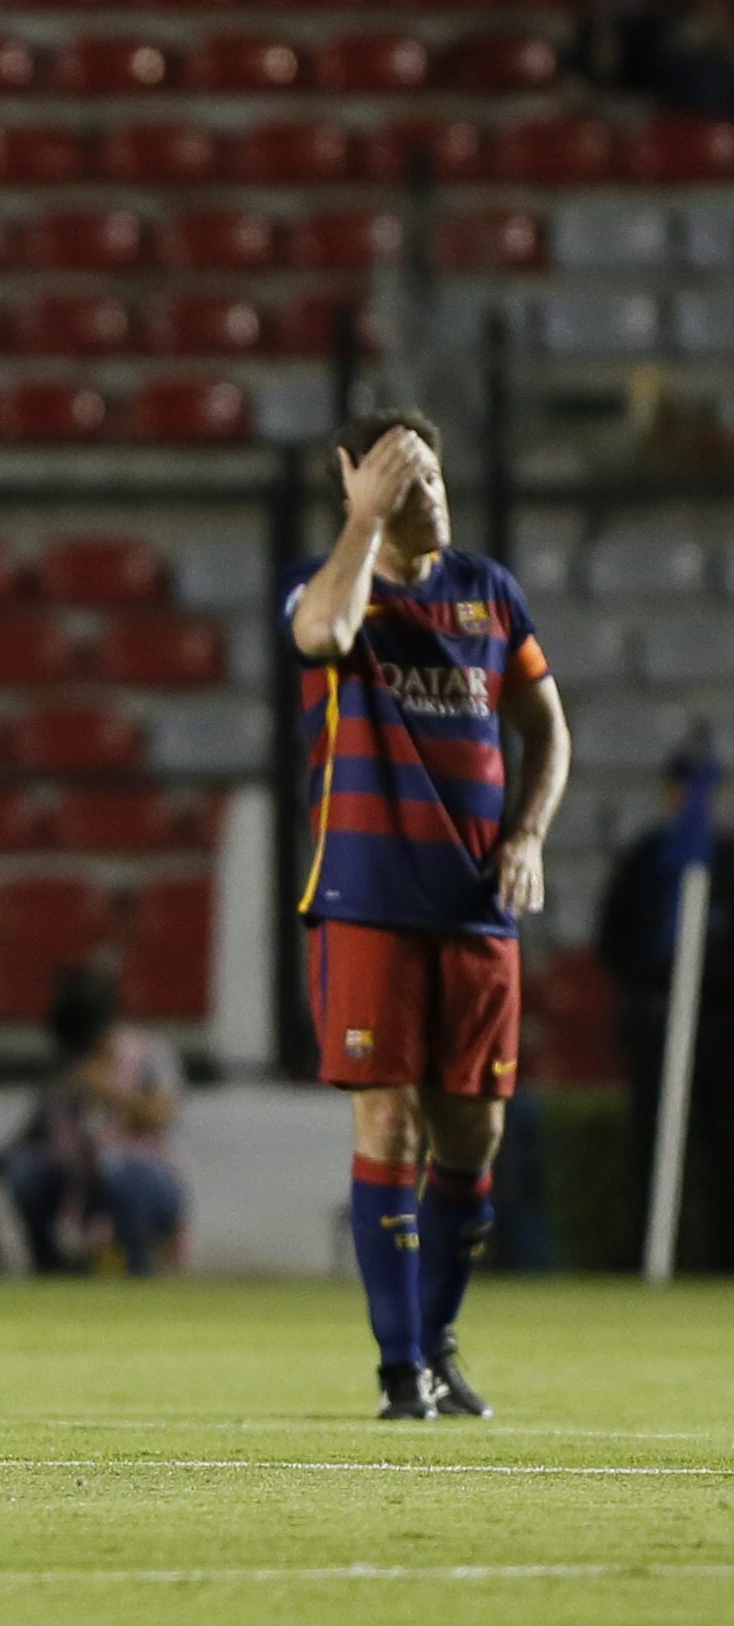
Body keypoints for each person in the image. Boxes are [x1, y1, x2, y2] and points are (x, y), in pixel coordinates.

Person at [285, 406, 572, 1421]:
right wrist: (363, 520)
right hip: (367, 898)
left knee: (472, 1140)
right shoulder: (330, 590)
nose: (431, 500)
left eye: (434, 480)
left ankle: (437, 1345)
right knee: (387, 1119)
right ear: (357, 487)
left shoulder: (489, 594)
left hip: (476, 906)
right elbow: (321, 634)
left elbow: (547, 728)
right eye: (406, 484)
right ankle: (399, 1368)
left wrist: (527, 834)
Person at [598, 751, 734, 1266]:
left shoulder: (727, 860)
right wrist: (653, 981)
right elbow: (613, 939)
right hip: (656, 1023)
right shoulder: (645, 861)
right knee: (650, 1148)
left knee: (723, 1152)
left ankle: (722, 1262)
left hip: (720, 1027)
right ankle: (641, 1259)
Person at [1, 972, 188, 1277]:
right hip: (80, 1180)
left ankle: (137, 1267)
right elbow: (35, 1132)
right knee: (25, 1168)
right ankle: (49, 1266)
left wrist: (109, 1092)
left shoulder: (147, 1053)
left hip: (142, 1178)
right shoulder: (63, 1066)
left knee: (123, 1174)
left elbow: (161, 1117)